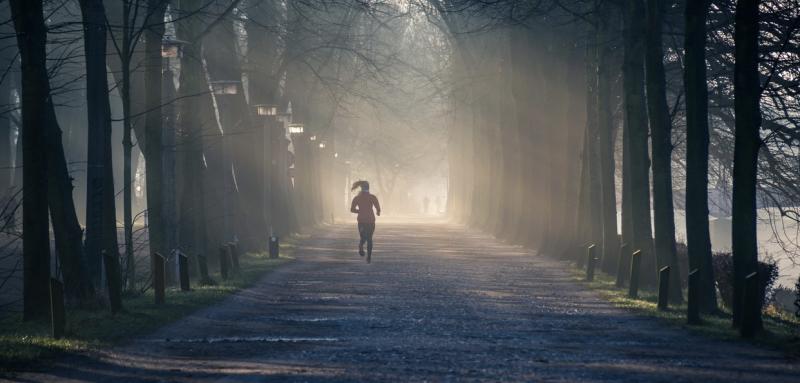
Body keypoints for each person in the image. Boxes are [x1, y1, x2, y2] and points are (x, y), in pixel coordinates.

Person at [350, 180, 381, 263]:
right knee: (369, 238)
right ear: (368, 188)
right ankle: (369, 257)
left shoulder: (357, 198)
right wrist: (378, 212)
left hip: (361, 221)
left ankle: (360, 245)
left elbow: (352, 210)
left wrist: (359, 211)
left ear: (361, 188)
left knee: (363, 237)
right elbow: (378, 207)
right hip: (371, 220)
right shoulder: (372, 197)